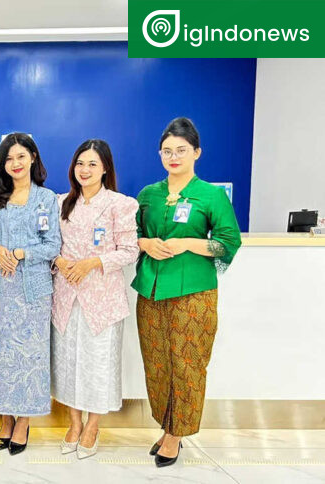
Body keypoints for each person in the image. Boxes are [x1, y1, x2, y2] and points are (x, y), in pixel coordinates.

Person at [133, 117, 241, 467]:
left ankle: (175, 435)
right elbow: (131, 236)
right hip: (150, 292)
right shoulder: (148, 195)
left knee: (187, 364)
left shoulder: (211, 195)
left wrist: (189, 243)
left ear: (197, 152)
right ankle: (167, 426)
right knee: (157, 364)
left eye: (181, 150)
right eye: (167, 151)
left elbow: (228, 242)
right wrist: (146, 243)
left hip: (193, 295)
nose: (174, 157)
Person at [50, 139, 139, 459]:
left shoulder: (120, 204)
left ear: (105, 169)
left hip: (102, 301)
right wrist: (59, 261)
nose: (84, 170)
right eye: (80, 164)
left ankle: (92, 426)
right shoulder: (60, 203)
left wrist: (92, 263)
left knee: (98, 365)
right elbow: (49, 246)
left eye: (92, 164)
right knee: (67, 363)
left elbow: (130, 251)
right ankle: (74, 424)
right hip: (65, 297)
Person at [0, 133, 61, 456]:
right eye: (9, 159)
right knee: (0, 356)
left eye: (21, 157)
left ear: (33, 158)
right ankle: (4, 417)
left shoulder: (46, 198)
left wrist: (20, 253)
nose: (15, 163)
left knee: (30, 356)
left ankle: (24, 421)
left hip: (33, 292)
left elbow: (52, 245)